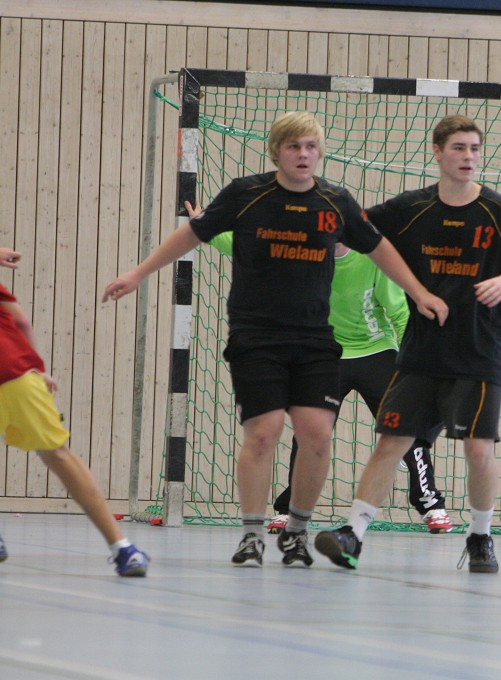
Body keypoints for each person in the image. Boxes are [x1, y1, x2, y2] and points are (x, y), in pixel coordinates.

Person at [103, 111, 447, 567]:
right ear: (276, 152)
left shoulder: (336, 203)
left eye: (310, 147)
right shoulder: (247, 195)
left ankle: (298, 531)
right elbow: (196, 234)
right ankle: (250, 533)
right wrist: (138, 273)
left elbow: (379, 247)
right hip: (257, 338)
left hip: (315, 341)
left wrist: (419, 292)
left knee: (317, 435)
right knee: (263, 434)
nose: (302, 155)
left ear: (320, 152)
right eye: (293, 147)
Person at [314, 114, 501, 573]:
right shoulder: (410, 208)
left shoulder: (496, 210)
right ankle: (352, 534)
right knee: (391, 440)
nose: (468, 156)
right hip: (420, 351)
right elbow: (354, 228)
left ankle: (480, 536)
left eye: (474, 148)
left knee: (477, 448)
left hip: (477, 350)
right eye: (458, 148)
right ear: (437, 152)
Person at [203, 226, 453, 534]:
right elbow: (248, 246)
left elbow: (399, 313)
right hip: (326, 354)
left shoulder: (371, 260)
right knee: (309, 432)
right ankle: (290, 510)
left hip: (375, 350)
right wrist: (206, 226)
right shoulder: (302, 258)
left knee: (406, 426)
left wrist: (411, 362)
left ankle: (430, 504)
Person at [0, 248, 148, 575]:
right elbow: (21, 320)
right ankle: (123, 549)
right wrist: (37, 368)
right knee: (58, 455)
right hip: (14, 370)